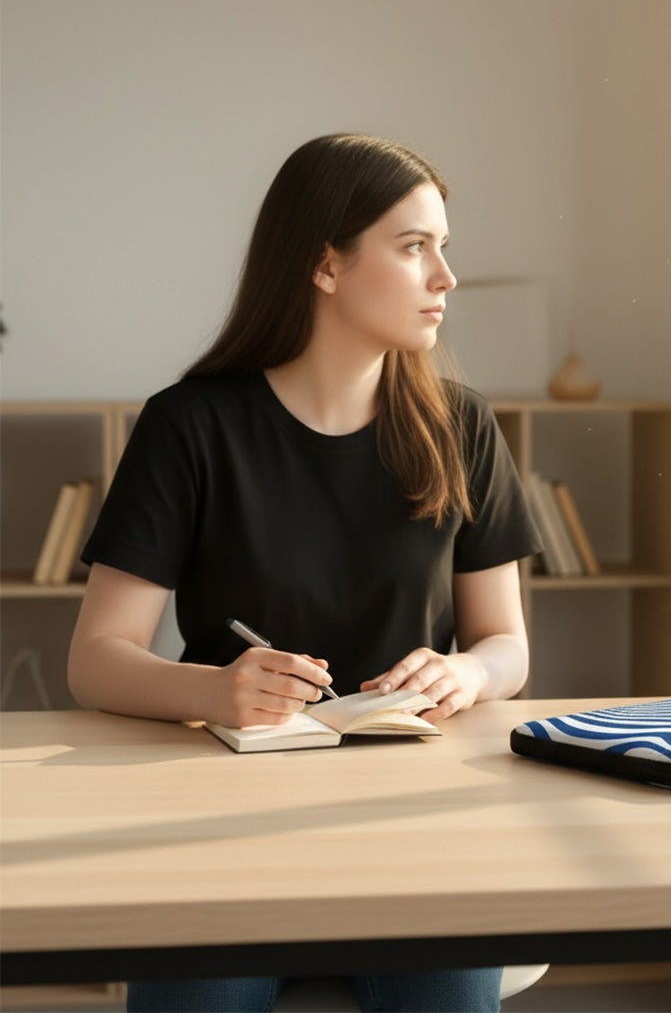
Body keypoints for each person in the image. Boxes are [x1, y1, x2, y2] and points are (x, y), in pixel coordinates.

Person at [68, 133, 542, 1013]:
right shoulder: (190, 426)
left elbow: (506, 643)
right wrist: (216, 690)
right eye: (413, 248)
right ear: (326, 265)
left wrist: (468, 671)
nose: (445, 277)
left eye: (445, 247)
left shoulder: (463, 426)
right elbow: (96, 656)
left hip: (415, 815)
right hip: (222, 815)